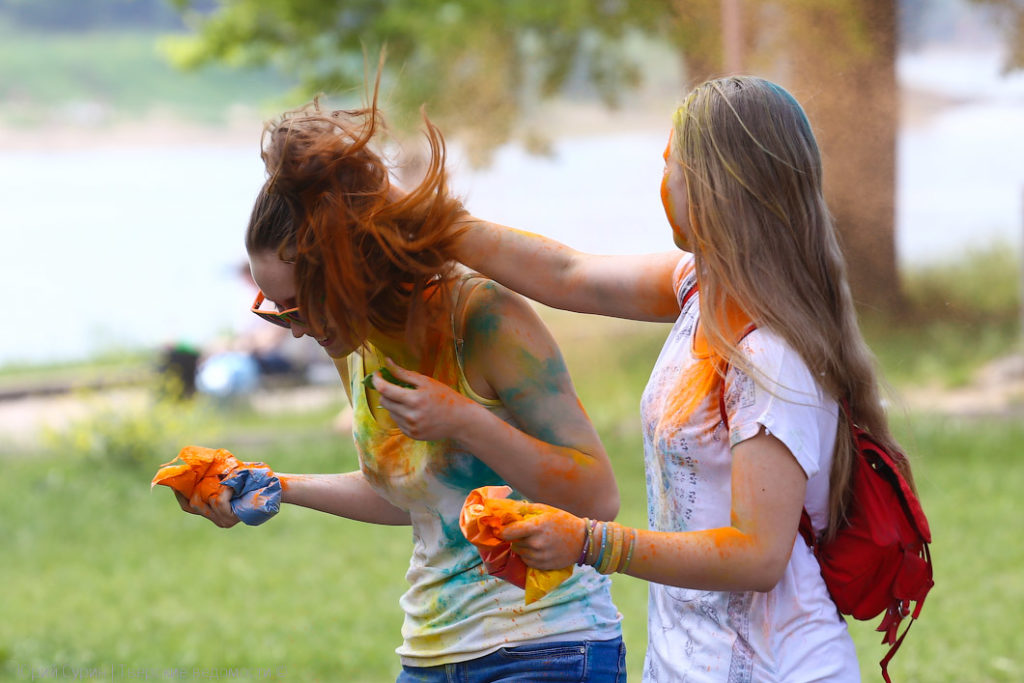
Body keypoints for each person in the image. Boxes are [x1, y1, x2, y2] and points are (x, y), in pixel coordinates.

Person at [427, 76, 913, 681]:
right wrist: (431, 223)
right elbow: (569, 274)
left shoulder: (769, 354)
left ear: (713, 185)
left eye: (670, 164)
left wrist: (591, 542)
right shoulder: (700, 290)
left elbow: (759, 555)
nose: (661, 182)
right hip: (683, 664)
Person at [172, 84, 627, 682]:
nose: (295, 330)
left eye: (299, 306)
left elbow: (597, 498)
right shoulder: (353, 343)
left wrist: (465, 422)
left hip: (550, 648)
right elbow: (411, 498)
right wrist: (278, 485)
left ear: (346, 268)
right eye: (276, 310)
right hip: (431, 654)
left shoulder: (483, 319)